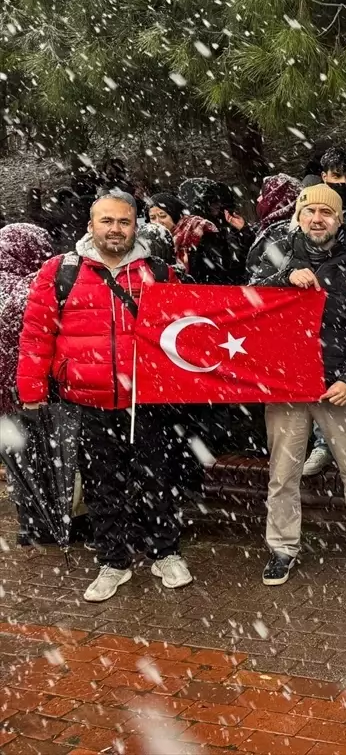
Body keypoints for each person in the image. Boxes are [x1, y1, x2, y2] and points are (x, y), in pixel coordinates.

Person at [17, 192, 189, 602]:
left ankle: (165, 552)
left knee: (157, 479)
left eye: (124, 222)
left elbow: (183, 330)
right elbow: (37, 333)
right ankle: (113, 560)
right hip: (87, 400)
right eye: (107, 221)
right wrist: (31, 389)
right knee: (101, 485)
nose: (115, 229)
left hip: (145, 400)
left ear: (135, 226)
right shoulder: (61, 272)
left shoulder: (159, 271)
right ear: (91, 225)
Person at [251, 184, 346, 586]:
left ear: (339, 219)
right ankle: (282, 547)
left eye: (326, 213)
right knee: (282, 474)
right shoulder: (277, 252)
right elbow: (248, 301)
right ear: (299, 217)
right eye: (309, 212)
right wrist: (284, 277)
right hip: (287, 385)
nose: (317, 219)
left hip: (337, 385)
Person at [0, 224, 55, 545]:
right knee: (43, 459)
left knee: (16, 459)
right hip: (29, 391)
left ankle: (29, 524)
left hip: (3, 398)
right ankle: (46, 524)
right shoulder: (31, 287)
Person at [246, 174, 302, 283]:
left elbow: (266, 279)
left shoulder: (282, 233)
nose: (258, 199)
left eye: (263, 194)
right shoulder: (277, 227)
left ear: (276, 199)